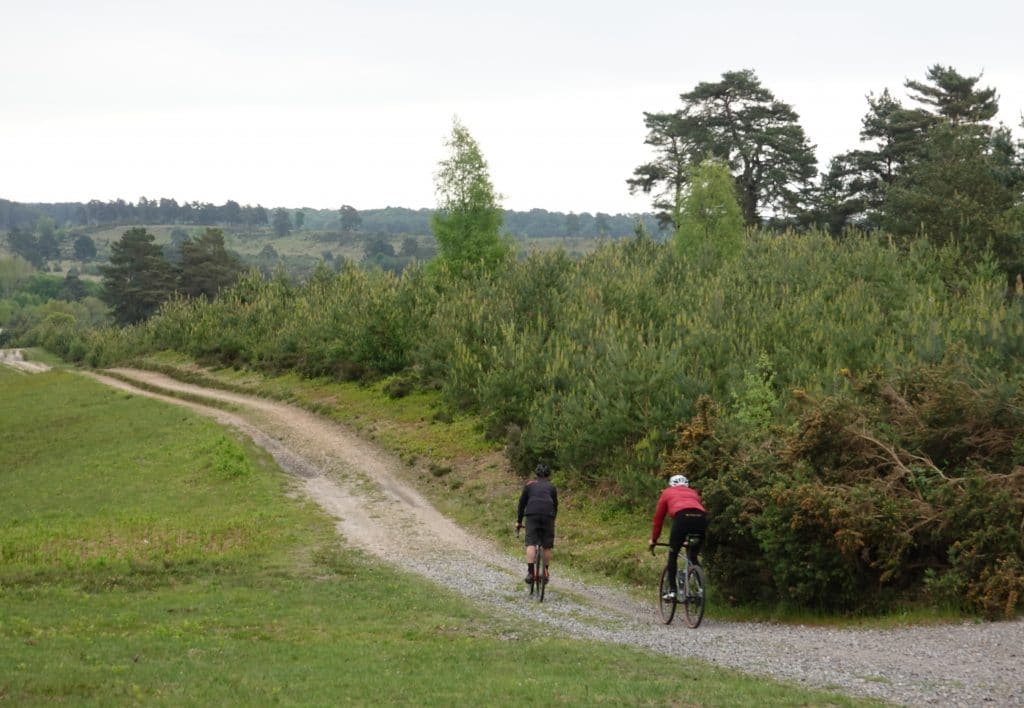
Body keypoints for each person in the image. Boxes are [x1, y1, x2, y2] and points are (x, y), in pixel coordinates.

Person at [648, 474, 707, 600]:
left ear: (671, 484)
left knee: (673, 554)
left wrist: (654, 539)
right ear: (687, 485)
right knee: (692, 556)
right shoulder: (693, 492)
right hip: (701, 518)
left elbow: (658, 519)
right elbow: (695, 509)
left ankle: (673, 591)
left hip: (681, 518)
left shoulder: (667, 492)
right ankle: (700, 589)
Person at [516, 462, 558, 585]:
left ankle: (530, 573)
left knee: (531, 543)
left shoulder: (529, 485)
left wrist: (519, 521)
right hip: (548, 515)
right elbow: (555, 505)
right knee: (547, 545)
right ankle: (544, 572)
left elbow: (521, 504)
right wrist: (552, 520)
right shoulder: (551, 487)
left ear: (536, 474)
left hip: (532, 514)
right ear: (548, 475)